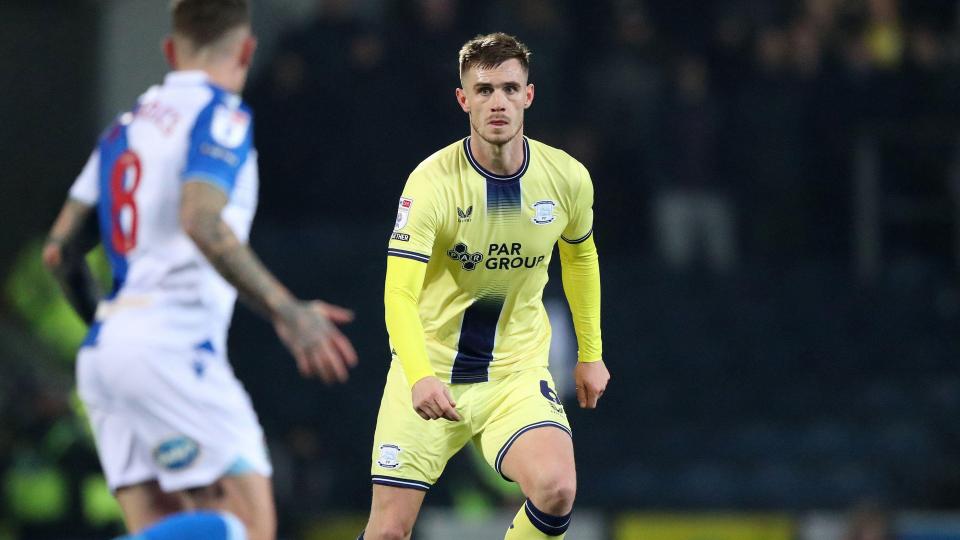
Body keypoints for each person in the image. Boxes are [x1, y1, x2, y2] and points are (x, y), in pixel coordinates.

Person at [41, 1, 357, 539]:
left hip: (107, 353)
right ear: (246, 51)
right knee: (247, 530)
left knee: (178, 528)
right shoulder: (222, 117)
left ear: (171, 50)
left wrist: (114, 334)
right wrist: (288, 311)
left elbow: (59, 251)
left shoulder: (125, 127)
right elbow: (202, 220)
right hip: (173, 347)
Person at [360, 32, 610, 540]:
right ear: (463, 99)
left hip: (514, 372)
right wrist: (417, 375)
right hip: (430, 367)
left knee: (557, 487)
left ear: (529, 96)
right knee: (388, 531)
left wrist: (591, 352)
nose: (498, 101)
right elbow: (399, 293)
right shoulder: (431, 183)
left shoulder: (566, 178)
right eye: (484, 89)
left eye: (510, 89)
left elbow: (580, 256)